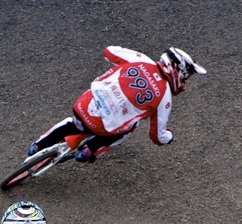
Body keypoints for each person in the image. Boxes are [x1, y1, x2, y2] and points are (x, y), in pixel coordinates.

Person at [26, 46, 206, 163]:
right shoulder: (164, 97)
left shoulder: (140, 59)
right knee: (129, 128)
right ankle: (89, 152)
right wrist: (169, 137)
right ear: (178, 70)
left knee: (73, 123)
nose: (185, 81)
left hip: (84, 106)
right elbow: (157, 137)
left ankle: (37, 145)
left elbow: (109, 51)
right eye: (187, 76)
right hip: (103, 127)